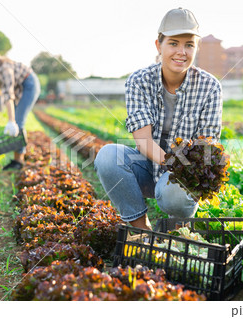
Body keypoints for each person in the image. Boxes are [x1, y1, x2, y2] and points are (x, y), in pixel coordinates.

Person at [94, 8, 223, 230]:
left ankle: (178, 229)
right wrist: (175, 164)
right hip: (148, 166)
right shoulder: (139, 81)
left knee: (176, 196)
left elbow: (207, 145)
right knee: (107, 157)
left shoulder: (210, 87)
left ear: (196, 48)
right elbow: (143, 140)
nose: (181, 52)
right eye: (173, 43)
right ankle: (141, 229)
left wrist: (184, 173)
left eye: (189, 45)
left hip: (181, 177)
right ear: (158, 46)